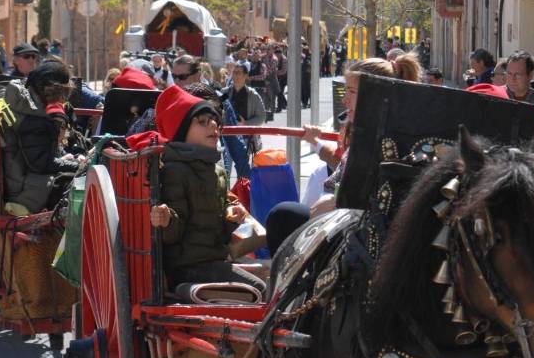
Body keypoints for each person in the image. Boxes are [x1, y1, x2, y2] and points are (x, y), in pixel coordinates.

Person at [268, 53, 422, 257]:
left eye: (351, 91)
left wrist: (337, 203)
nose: (344, 99)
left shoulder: (385, 138)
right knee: (285, 213)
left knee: (283, 215)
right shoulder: (365, 130)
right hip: (340, 214)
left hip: (357, 227)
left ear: (373, 96)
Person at [136, 86, 265, 291]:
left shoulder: (216, 170)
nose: (213, 125)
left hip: (214, 260)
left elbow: (217, 227)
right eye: (202, 122)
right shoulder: (175, 171)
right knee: (261, 290)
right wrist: (166, 219)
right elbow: (174, 232)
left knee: (273, 276)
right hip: (187, 267)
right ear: (182, 132)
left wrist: (232, 217)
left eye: (215, 120)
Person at [2, 61, 82, 213]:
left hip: (26, 179)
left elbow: (41, 153)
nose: (64, 99)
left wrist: (67, 159)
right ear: (52, 90)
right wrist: (79, 166)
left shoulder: (30, 109)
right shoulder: (33, 120)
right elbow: (41, 164)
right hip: (26, 192)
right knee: (80, 185)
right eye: (63, 93)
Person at [274, 47, 288, 111]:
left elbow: (284, 71)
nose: (277, 55)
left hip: (284, 78)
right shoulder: (276, 59)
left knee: (280, 91)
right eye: (276, 54)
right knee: (279, 92)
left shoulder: (284, 59)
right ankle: (285, 103)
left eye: (278, 54)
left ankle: (279, 107)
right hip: (278, 77)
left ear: (280, 53)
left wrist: (275, 72)